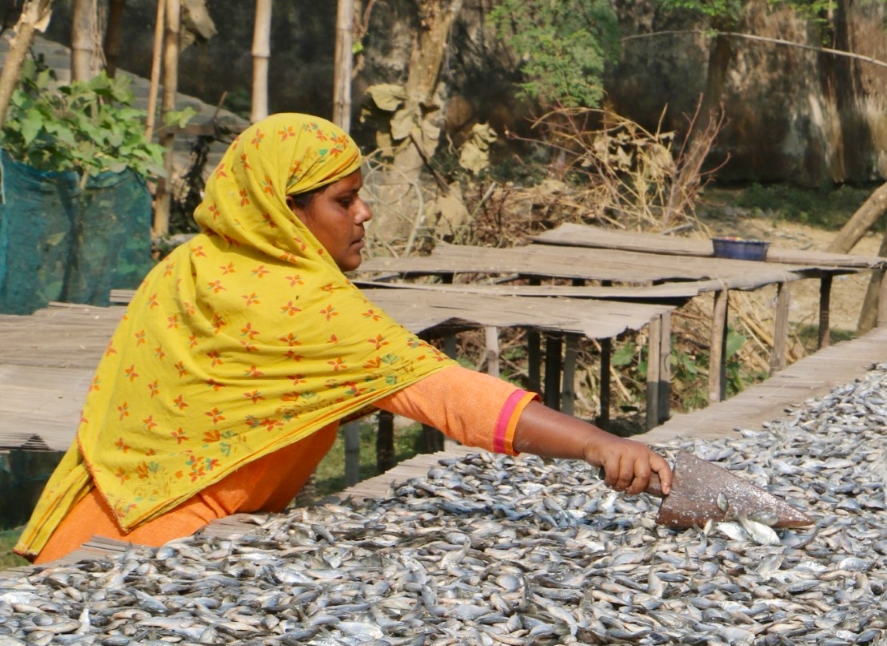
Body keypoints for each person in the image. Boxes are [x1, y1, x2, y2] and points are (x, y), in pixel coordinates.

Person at [15, 114, 671, 564]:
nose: (364, 213)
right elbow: (451, 396)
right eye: (343, 200)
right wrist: (599, 444)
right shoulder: (309, 308)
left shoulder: (186, 268)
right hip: (144, 557)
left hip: (79, 532)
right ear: (286, 209)